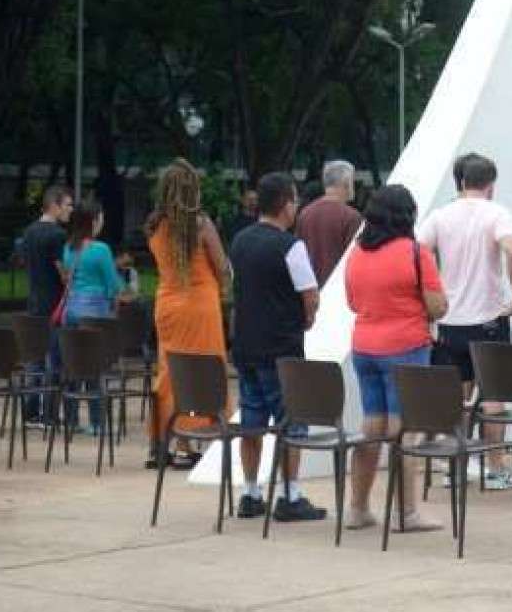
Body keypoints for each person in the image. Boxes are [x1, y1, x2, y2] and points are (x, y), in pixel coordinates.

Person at [344, 182, 447, 532]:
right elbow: (437, 306)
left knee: (372, 426)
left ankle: (358, 508)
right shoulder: (416, 254)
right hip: (406, 348)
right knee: (404, 431)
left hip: (364, 347)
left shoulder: (357, 253)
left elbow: (353, 303)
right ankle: (407, 512)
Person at [418, 152, 512, 488]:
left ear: (462, 182)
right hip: (489, 317)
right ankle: (494, 467)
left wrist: (430, 295)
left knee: (459, 395)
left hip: (450, 320)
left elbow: (417, 253)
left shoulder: (440, 215)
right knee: (493, 394)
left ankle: (457, 466)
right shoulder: (497, 213)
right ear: (490, 184)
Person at [228, 171, 327, 523]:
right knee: (290, 423)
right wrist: (307, 320)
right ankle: (289, 494)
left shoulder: (239, 241)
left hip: (246, 346)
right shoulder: (291, 246)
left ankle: (251, 492)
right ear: (286, 204)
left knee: (251, 421)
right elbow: (310, 296)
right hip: (282, 349)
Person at [144, 158, 230, 471]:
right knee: (205, 371)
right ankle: (190, 439)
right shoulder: (201, 224)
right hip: (200, 304)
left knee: (170, 370)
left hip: (167, 302)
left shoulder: (155, 224)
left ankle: (162, 442)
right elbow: (220, 265)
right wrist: (225, 288)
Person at [57, 200, 131, 431]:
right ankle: (97, 423)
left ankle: (71, 421)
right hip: (95, 313)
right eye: (100, 218)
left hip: (71, 312)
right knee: (95, 369)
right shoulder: (101, 249)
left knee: (73, 366)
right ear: (94, 221)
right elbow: (112, 285)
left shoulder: (69, 247)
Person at [17, 183, 73, 423]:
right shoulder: (58, 235)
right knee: (54, 359)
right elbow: (62, 272)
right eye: (68, 205)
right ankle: (50, 413)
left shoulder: (29, 232)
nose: (70, 210)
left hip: (34, 301)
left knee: (35, 360)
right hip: (53, 303)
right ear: (54, 205)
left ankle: (31, 410)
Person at [294, 160, 364, 286]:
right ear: (346, 183)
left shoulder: (305, 214)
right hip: (339, 289)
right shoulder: (351, 217)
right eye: (353, 181)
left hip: (310, 288)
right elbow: (355, 258)